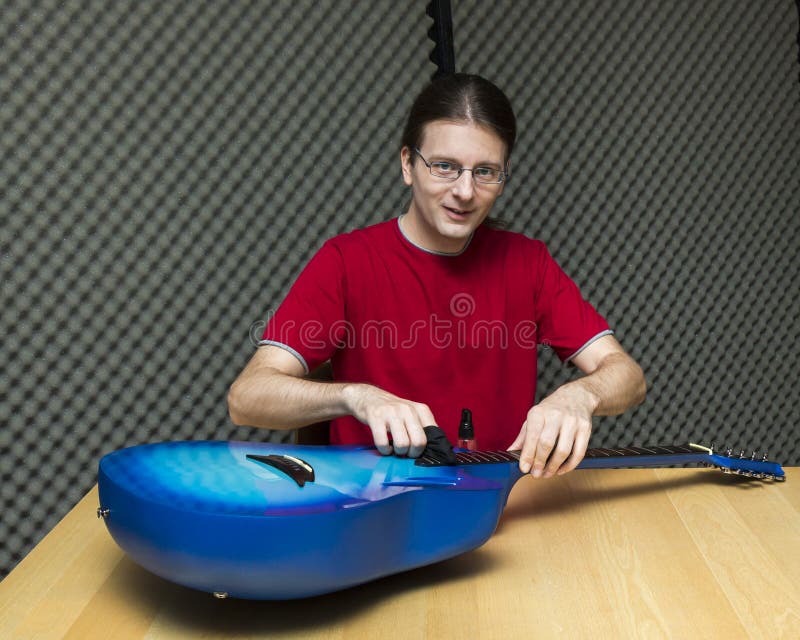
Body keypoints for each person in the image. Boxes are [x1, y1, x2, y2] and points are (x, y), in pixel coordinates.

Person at [228, 73, 646, 478]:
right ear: (408, 163)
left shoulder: (528, 261)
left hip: (498, 502)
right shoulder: (345, 260)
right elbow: (247, 398)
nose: (465, 191)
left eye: (484, 171)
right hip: (378, 509)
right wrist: (356, 396)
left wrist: (581, 394)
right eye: (445, 166)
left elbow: (627, 376)